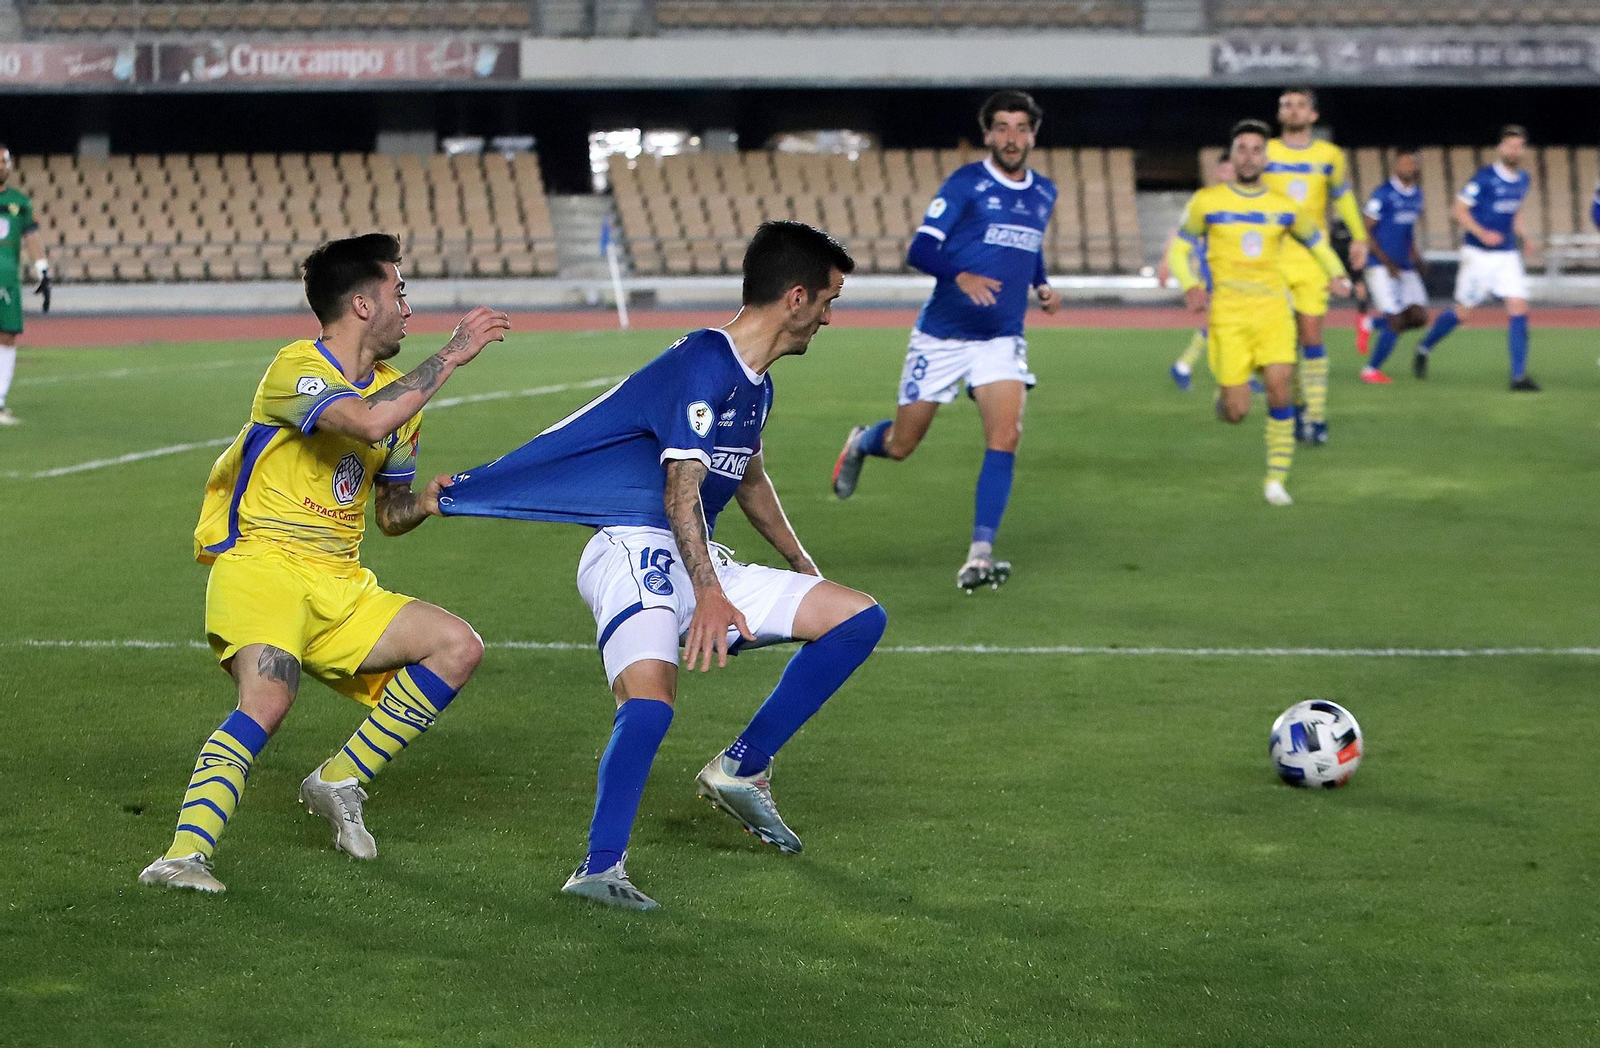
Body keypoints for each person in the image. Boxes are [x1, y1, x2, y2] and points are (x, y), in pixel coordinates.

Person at [438, 221, 887, 911]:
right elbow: (681, 485)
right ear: (797, 298)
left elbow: (747, 477)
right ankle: (599, 869)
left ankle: (741, 769)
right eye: (828, 299)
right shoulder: (706, 361)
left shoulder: (754, 383)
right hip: (633, 542)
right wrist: (707, 594)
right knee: (649, 703)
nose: (830, 316)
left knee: (856, 617)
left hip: (698, 553)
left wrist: (801, 564)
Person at [138, 234, 510, 894]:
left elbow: (388, 513)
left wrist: (423, 501)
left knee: (457, 646)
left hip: (340, 581)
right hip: (264, 567)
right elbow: (363, 423)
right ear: (362, 304)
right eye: (399, 291)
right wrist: (454, 352)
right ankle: (182, 855)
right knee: (269, 700)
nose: (407, 307)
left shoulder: (401, 398)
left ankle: (338, 779)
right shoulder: (297, 367)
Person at [830, 89, 1060, 592]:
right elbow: (920, 249)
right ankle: (864, 442)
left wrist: (1040, 282)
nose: (1012, 137)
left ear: (1034, 134)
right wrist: (962, 277)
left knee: (1005, 437)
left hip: (1001, 337)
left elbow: (1030, 245)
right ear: (987, 134)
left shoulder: (1044, 192)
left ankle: (980, 555)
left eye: (1021, 128)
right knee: (903, 444)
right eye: (1002, 127)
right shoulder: (967, 184)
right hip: (942, 336)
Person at [1166, 120, 1352, 507]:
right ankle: (1226, 393)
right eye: (1242, 149)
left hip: (1273, 313)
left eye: (1256, 149)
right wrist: (1190, 284)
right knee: (1235, 413)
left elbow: (1317, 242)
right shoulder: (1208, 202)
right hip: (1229, 319)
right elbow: (1179, 250)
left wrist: (1337, 274)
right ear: (1232, 157)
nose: (1249, 156)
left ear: (1265, 158)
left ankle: (1275, 481)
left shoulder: (1285, 208)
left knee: (1280, 387)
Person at [1265, 87, 1369, 444]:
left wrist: (1359, 237)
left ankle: (1317, 416)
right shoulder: (1265, 152)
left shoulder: (1329, 156)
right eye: (1286, 105)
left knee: (1311, 335)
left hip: (1312, 259)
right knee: (1282, 343)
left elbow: (1342, 197)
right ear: (1280, 114)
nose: (1292, 110)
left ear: (1312, 115)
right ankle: (1294, 408)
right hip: (1271, 260)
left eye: (1300, 106)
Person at [1412, 126, 1539, 391]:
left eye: (1519, 146)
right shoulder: (1484, 178)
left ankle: (1518, 377)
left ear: (1522, 149)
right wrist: (1482, 233)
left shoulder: (1524, 180)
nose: (1514, 151)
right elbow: (1458, 210)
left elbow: (1514, 212)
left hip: (1506, 254)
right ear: (1501, 148)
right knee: (1462, 313)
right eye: (1510, 145)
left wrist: (1525, 237)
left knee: (1519, 307)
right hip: (1478, 255)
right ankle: (1425, 346)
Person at [1359, 148, 1430, 384]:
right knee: (1396, 321)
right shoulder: (1383, 194)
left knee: (1419, 316)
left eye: (1414, 164)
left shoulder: (1417, 196)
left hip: (1404, 265)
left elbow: (1407, 231)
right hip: (1380, 265)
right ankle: (1371, 370)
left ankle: (1370, 324)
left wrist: (1417, 258)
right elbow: (1365, 228)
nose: (1410, 167)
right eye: (1406, 163)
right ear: (1396, 166)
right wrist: (1385, 261)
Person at [1166, 151, 1233, 392]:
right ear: (1217, 173)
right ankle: (1236, 373)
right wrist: (1168, 265)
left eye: (1232, 170)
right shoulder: (1203, 200)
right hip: (1212, 268)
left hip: (1238, 270)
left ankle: (1184, 365)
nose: (1229, 174)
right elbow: (1181, 232)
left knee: (1224, 321)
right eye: (1225, 169)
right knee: (1223, 320)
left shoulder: (1245, 200)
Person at [0, 144, 52, 425]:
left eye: (5, 161)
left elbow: (32, 239)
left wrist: (42, 271)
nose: (2, 166)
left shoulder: (19, 202)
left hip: (7, 278)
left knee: (7, 335)